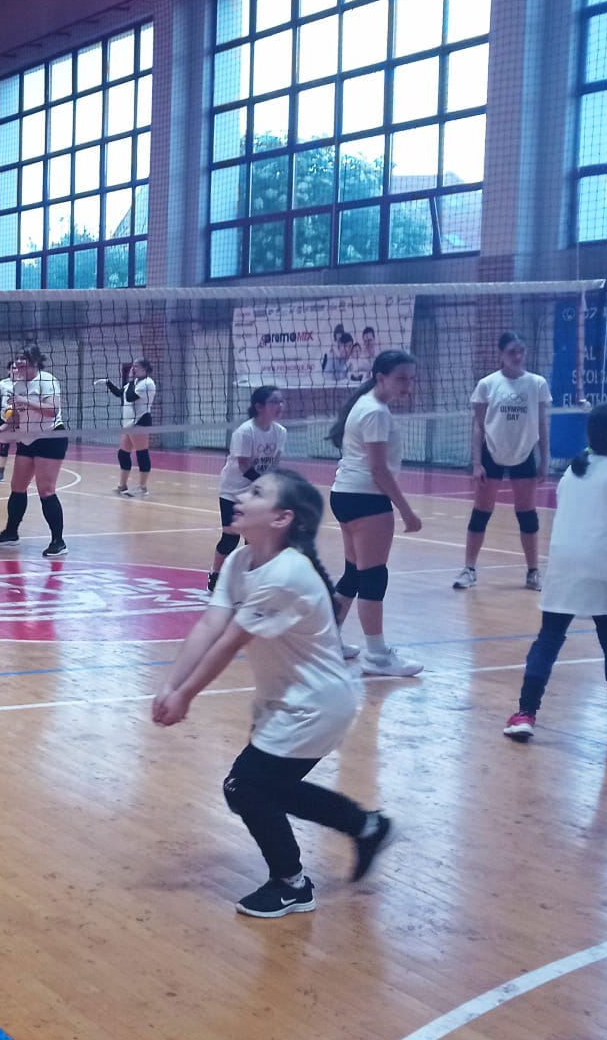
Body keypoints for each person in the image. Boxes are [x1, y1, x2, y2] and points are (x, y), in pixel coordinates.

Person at [152, 469, 395, 918]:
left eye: (256, 492)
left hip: (316, 704)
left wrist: (185, 695)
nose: (241, 497)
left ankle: (291, 884)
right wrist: (171, 684)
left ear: (282, 518)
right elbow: (209, 625)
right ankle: (366, 826)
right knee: (269, 787)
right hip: (286, 699)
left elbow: (230, 642)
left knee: (245, 786)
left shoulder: (285, 574)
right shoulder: (242, 560)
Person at [504, 404, 607, 744]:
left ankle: (525, 714)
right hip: (604, 562)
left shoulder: (572, 472)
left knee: (549, 638)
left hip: (563, 561)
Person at [327, 348, 424, 676]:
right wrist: (406, 511)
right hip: (366, 498)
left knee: (355, 574)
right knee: (373, 576)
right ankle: (377, 655)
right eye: (401, 379)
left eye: (410, 379)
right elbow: (378, 469)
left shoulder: (367, 405)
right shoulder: (375, 412)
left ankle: (328, 641)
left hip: (345, 493)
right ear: (380, 377)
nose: (407, 385)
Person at [456, 331, 551, 592]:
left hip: (524, 454)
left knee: (527, 514)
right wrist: (477, 462)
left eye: (521, 351)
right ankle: (469, 569)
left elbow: (542, 425)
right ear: (501, 354)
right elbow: (478, 426)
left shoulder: (537, 383)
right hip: (492, 453)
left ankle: (533, 572)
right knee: (481, 512)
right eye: (512, 352)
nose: (517, 356)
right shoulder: (487, 384)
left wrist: (545, 459)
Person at [0, 346, 69, 557]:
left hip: (50, 437)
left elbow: (53, 410)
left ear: (34, 360)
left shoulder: (47, 380)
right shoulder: (18, 384)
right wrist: (3, 427)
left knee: (46, 490)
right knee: (17, 487)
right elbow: (16, 415)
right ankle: (11, 533)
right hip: (27, 438)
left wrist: (24, 401)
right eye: (17, 358)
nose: (18, 362)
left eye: (22, 358)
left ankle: (58, 541)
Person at [210, 386, 286, 593]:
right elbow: (244, 465)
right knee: (230, 538)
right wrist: (264, 484)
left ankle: (247, 578)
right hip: (233, 491)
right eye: (274, 402)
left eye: (281, 401)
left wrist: (273, 486)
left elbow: (275, 464)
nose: (280, 406)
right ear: (259, 406)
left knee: (255, 538)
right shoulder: (245, 432)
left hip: (257, 493)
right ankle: (215, 575)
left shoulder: (280, 432)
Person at [99, 357, 157, 497]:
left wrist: (130, 379)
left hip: (140, 422)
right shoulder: (135, 383)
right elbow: (120, 393)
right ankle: (122, 485)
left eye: (136, 366)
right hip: (129, 423)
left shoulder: (147, 383)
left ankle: (143, 488)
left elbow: (130, 396)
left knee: (142, 454)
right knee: (123, 454)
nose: (133, 368)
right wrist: (108, 383)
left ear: (145, 368)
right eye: (133, 366)